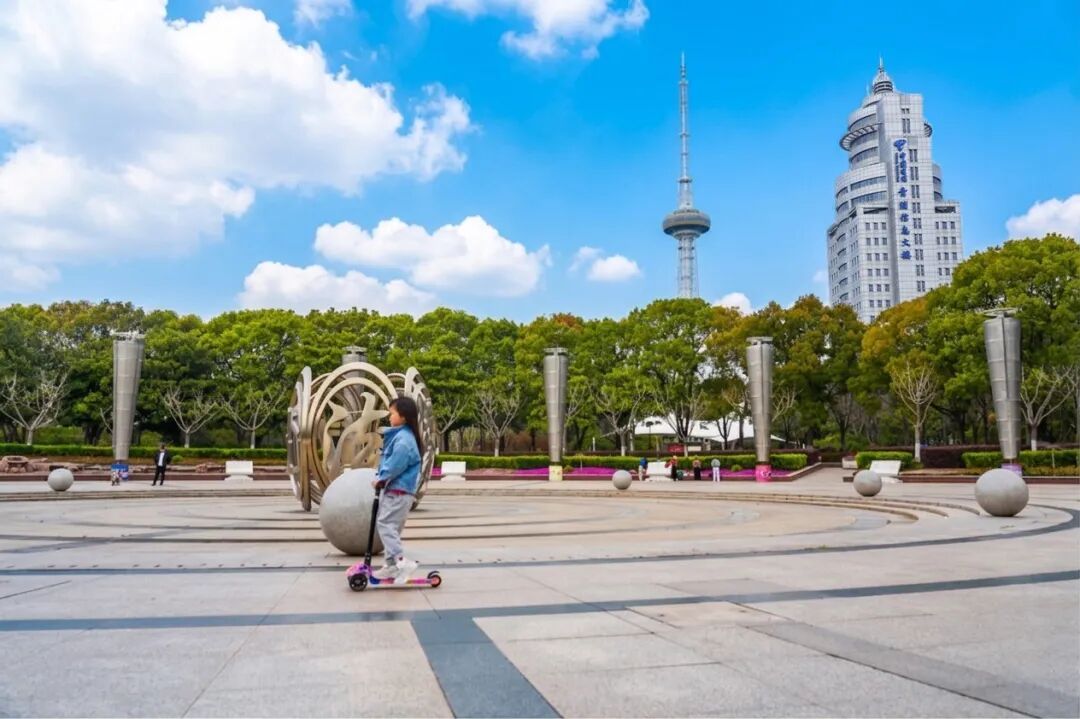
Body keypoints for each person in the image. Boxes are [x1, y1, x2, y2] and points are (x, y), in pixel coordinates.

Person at [371, 396, 423, 581]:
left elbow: (395, 464)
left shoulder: (403, 440)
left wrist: (382, 478)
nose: (389, 416)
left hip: (398, 491)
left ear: (403, 416)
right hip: (399, 491)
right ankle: (391, 566)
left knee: (385, 524)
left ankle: (401, 561)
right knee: (391, 528)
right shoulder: (403, 436)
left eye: (392, 413)